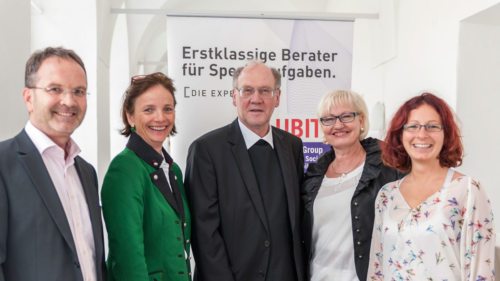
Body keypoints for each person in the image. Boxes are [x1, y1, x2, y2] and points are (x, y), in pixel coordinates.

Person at [185, 61, 305, 281]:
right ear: (234, 96)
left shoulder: (293, 146)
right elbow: (204, 235)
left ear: (277, 98)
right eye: (247, 90)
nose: (256, 99)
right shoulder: (206, 150)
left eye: (265, 91)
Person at [0, 47, 106, 281]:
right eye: (55, 89)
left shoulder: (86, 172)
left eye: (79, 91)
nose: (69, 101)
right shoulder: (3, 164)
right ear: (29, 97)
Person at [367, 92, 496, 280]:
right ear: (400, 135)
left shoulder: (467, 190)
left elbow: (481, 271)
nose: (422, 134)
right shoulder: (387, 195)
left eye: (432, 126)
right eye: (412, 126)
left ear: (446, 134)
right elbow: (376, 268)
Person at [302, 90, 402, 281]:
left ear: (361, 120)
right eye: (328, 119)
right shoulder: (313, 175)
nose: (338, 125)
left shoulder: (388, 167)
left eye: (346, 116)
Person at [101, 72, 191, 281]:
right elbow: (127, 257)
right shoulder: (124, 169)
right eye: (149, 109)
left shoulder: (173, 170)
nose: (160, 118)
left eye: (167, 109)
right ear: (130, 116)